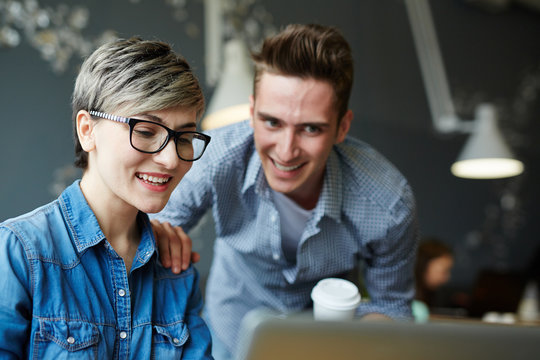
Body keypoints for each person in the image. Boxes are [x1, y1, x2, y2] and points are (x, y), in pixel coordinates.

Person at [152, 24, 419, 359]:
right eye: (272, 123)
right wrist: (155, 240)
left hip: (324, 348)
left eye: (310, 128)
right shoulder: (216, 157)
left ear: (342, 127)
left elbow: (392, 308)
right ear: (251, 112)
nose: (286, 150)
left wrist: (371, 339)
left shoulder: (388, 202)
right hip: (226, 337)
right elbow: (144, 237)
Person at [0, 37, 213, 358]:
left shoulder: (176, 270)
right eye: (145, 131)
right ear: (87, 130)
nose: (171, 160)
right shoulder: (19, 254)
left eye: (183, 137)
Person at [413, 237, 454, 321]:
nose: (447, 278)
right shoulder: (405, 297)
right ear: (424, 265)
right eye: (444, 271)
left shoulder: (436, 296)